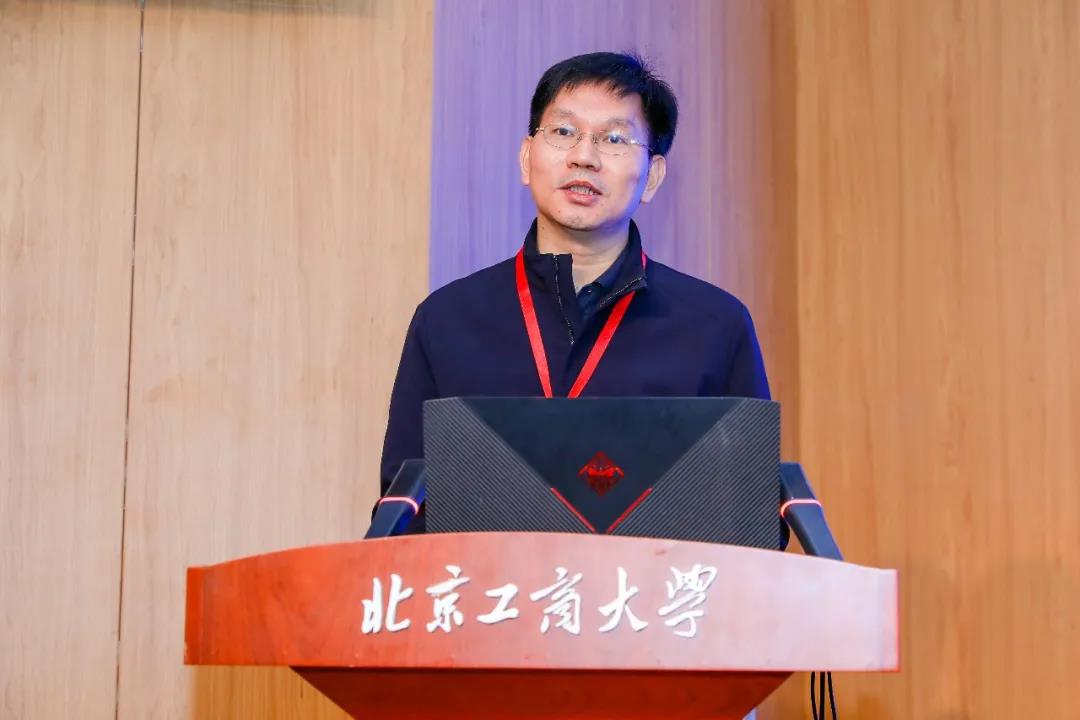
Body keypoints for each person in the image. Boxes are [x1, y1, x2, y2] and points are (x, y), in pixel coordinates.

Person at [379, 52, 770, 528]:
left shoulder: (715, 326)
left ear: (652, 177)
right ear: (527, 158)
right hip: (491, 579)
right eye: (564, 131)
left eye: (614, 138)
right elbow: (402, 509)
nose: (584, 156)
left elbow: (752, 517)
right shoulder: (448, 319)